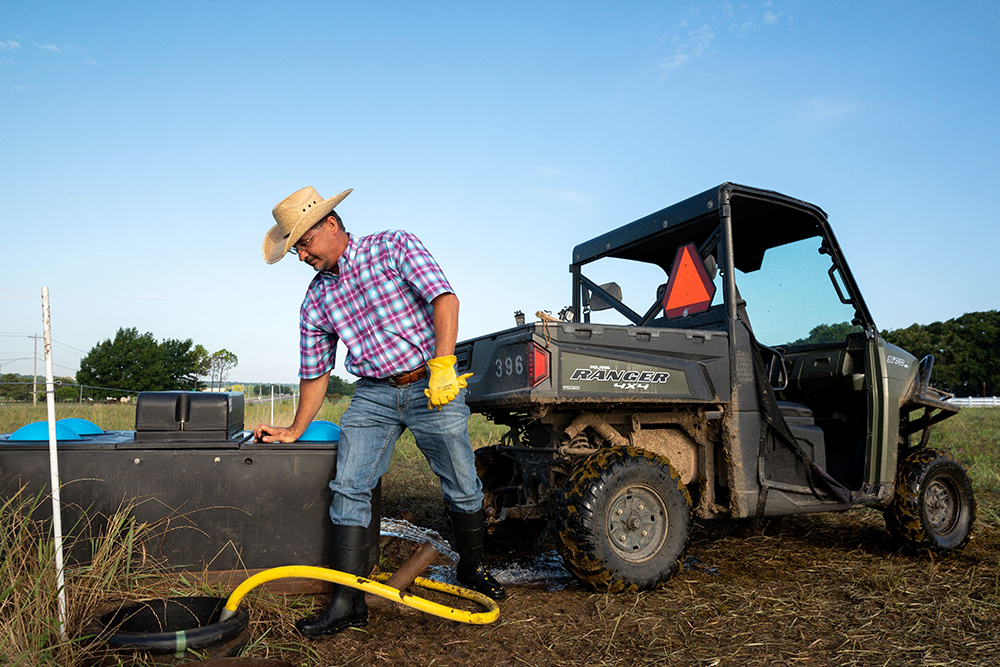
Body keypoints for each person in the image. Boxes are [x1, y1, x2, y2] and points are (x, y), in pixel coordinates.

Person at [256, 186, 505, 637]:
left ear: (330, 224)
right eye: (293, 250)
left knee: (463, 485)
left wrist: (443, 364)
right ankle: (349, 602)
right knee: (349, 484)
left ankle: (472, 570)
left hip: (430, 382)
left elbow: (444, 298)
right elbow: (315, 372)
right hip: (374, 393)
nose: (301, 256)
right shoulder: (315, 300)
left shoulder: (392, 246)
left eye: (303, 244)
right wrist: (295, 428)